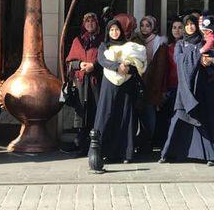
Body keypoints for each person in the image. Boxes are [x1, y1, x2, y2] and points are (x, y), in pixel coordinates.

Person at [160, 14, 214, 166]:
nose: (190, 27)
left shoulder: (206, 40)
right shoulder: (180, 44)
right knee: (178, 118)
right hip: (186, 89)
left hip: (205, 88)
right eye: (187, 25)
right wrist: (199, 56)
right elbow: (179, 60)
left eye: (192, 24)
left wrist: (211, 60)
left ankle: (212, 156)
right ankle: (169, 153)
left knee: (208, 120)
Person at [93, 19, 146, 163]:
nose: (114, 32)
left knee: (125, 116)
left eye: (116, 29)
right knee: (107, 114)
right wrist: (118, 66)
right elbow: (102, 61)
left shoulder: (130, 46)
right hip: (109, 86)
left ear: (121, 31)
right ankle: (101, 151)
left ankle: (125, 153)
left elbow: (139, 65)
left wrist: (128, 68)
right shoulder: (104, 46)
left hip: (127, 86)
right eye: (111, 30)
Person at [65, 12, 102, 155]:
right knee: (82, 113)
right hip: (81, 84)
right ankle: (80, 144)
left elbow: (106, 60)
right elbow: (69, 62)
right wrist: (80, 64)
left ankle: (95, 145)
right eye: (87, 22)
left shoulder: (102, 40)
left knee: (95, 111)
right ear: (83, 24)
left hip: (96, 83)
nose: (90, 24)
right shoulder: (78, 41)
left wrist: (94, 66)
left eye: (93, 22)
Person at [136, 15, 168, 153]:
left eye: (147, 25)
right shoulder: (137, 40)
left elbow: (160, 67)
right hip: (139, 82)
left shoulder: (158, 43)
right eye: (142, 25)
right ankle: (140, 140)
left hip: (152, 83)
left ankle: (149, 140)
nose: (144, 28)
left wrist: (157, 86)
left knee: (149, 112)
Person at [154, 18, 184, 148]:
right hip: (172, 85)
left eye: (180, 27)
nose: (177, 30)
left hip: (184, 86)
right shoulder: (167, 48)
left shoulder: (188, 45)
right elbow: (163, 70)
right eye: (174, 27)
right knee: (171, 115)